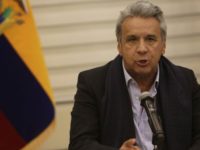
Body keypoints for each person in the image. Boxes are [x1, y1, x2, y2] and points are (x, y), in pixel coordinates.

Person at [68, 1, 200, 150]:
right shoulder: (93, 83)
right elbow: (79, 144)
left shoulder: (185, 80)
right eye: (132, 39)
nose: (142, 49)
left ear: (163, 45)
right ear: (119, 46)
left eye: (150, 39)